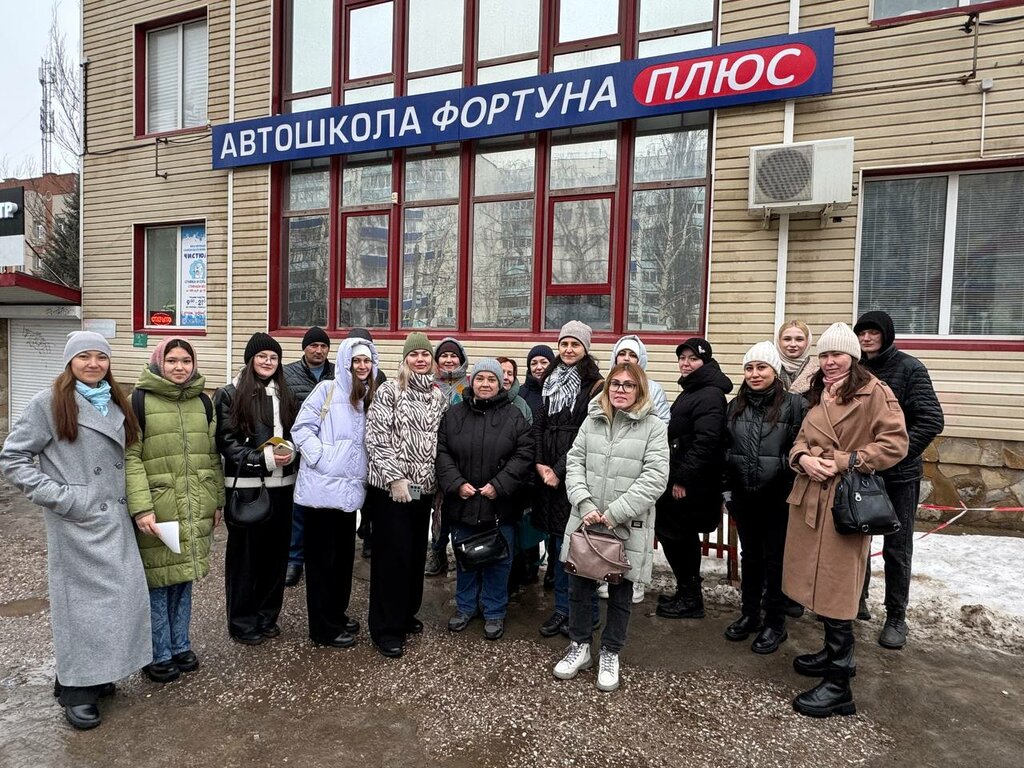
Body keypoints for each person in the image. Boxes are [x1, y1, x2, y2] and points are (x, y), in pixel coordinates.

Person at [0, 331, 150, 730]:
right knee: (81, 607)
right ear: (70, 362)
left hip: (114, 518)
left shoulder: (116, 401)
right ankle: (76, 688)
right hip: (77, 521)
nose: (93, 364)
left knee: (118, 600)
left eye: (101, 356)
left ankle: (97, 673)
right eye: (84, 356)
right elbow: (13, 457)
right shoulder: (49, 402)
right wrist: (64, 497)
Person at [784, 322, 908, 718]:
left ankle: (840, 684)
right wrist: (803, 459)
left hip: (845, 503)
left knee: (838, 586)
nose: (829, 361)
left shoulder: (875, 392)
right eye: (823, 355)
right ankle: (831, 653)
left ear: (853, 357)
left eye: (836, 354)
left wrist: (842, 461)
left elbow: (895, 444)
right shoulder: (819, 392)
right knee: (816, 580)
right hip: (810, 497)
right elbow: (800, 440)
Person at [553, 362, 669, 692]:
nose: (620, 390)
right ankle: (579, 646)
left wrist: (615, 512)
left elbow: (655, 477)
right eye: (615, 384)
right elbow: (574, 462)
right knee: (579, 587)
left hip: (626, 525)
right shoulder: (592, 419)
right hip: (586, 521)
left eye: (628, 385)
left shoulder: (653, 427)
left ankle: (610, 652)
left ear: (639, 390)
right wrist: (585, 503)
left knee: (620, 592)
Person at [126, 339, 224, 684]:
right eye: (172, 361)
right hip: (159, 505)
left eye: (185, 361)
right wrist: (141, 507)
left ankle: (181, 644)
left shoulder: (203, 402)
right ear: (159, 363)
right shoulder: (139, 401)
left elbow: (212, 456)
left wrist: (217, 501)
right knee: (157, 581)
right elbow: (130, 457)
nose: (179, 367)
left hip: (195, 502)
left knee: (184, 577)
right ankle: (158, 653)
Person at [855, 310, 944, 649]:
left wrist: (896, 454)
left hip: (900, 475)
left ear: (887, 335)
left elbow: (931, 419)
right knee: (856, 537)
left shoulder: (910, 368)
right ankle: (856, 599)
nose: (866, 338)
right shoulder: (855, 369)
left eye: (873, 332)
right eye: (861, 333)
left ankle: (896, 616)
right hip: (862, 471)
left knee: (897, 547)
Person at [291, 337, 379, 649]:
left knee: (342, 561)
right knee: (321, 563)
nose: (362, 366)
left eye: (367, 361)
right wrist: (321, 458)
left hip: (349, 493)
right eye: (357, 361)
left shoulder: (368, 395)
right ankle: (322, 628)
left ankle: (336, 614)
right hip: (322, 491)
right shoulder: (326, 390)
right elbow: (301, 429)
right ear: (346, 362)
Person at [437, 358, 534, 640]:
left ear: (500, 383)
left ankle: (494, 610)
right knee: (466, 558)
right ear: (472, 381)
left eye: (492, 379)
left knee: (499, 561)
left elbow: (524, 454)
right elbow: (442, 453)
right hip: (463, 503)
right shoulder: (454, 415)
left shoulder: (514, 416)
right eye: (480, 378)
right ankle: (465, 607)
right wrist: (457, 484)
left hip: (499, 505)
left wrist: (499, 485)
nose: (485, 384)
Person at [365, 332, 448, 658]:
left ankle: (406, 612)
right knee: (391, 559)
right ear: (405, 359)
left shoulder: (437, 397)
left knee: (413, 555)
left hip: (422, 490)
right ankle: (385, 628)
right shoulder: (389, 391)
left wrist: (438, 485)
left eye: (425, 355)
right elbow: (376, 438)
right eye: (414, 355)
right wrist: (395, 478)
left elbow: (440, 443)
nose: (420, 360)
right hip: (392, 492)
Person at [722, 341, 806, 654]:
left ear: (775, 370)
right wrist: (728, 490)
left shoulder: (794, 405)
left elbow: (801, 448)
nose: (755, 374)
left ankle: (775, 622)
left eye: (762, 367)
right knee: (751, 557)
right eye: (749, 368)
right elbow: (725, 450)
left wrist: (783, 474)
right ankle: (750, 614)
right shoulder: (735, 405)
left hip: (778, 498)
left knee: (776, 560)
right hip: (744, 497)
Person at [215, 333, 297, 645]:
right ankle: (242, 621)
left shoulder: (286, 394)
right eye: (262, 356)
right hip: (247, 489)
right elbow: (227, 442)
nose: (267, 362)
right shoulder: (229, 394)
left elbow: (295, 432)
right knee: (245, 559)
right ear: (250, 360)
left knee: (275, 558)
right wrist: (262, 459)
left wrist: (292, 451)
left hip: (282, 487)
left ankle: (267, 615)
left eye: (273, 357)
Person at [533, 321, 603, 638]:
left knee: (575, 547)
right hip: (547, 473)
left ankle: (583, 611)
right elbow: (539, 424)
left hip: (575, 475)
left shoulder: (595, 385)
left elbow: (587, 435)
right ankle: (563, 608)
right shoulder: (550, 381)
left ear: (585, 348)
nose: (569, 349)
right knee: (557, 543)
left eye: (575, 344)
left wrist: (558, 470)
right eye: (564, 344)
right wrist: (540, 463)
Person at [655, 337, 733, 619]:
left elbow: (707, 441)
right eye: (682, 358)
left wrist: (683, 478)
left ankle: (691, 598)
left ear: (705, 361)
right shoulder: (693, 389)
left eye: (693, 359)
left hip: (692, 483)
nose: (685, 364)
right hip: (683, 476)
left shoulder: (709, 394)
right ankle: (686, 591)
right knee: (674, 534)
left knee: (679, 536)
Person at [283, 326, 334, 587]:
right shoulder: (288, 374)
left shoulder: (338, 373)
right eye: (314, 345)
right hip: (299, 450)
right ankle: (294, 559)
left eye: (323, 346)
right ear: (304, 348)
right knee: (299, 509)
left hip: (332, 452)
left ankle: (321, 556)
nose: (319, 350)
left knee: (326, 510)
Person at [425, 336, 471, 578]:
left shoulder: (471, 384)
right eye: (444, 355)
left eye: (454, 356)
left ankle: (464, 554)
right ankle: (438, 552)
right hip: (435, 455)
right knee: (439, 508)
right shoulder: (429, 384)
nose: (449, 360)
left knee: (461, 507)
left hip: (464, 456)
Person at [347, 327, 387, 558]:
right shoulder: (339, 376)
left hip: (371, 441)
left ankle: (369, 535)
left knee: (371, 495)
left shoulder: (378, 376)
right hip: (348, 442)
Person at [609, 335, 671, 424]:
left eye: (633, 355)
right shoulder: (607, 385)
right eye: (622, 354)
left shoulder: (654, 389)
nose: (626, 358)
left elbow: (662, 422)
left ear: (640, 360)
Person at [776, 320, 819, 394]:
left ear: (807, 342)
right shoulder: (768, 369)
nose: (793, 344)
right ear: (778, 341)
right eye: (787, 339)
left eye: (799, 339)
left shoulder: (819, 371)